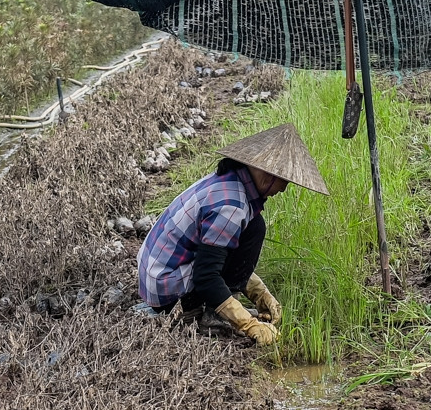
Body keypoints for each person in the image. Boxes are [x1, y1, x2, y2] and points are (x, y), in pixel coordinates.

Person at [136, 123, 328, 346]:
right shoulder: (231, 206)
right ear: (268, 175)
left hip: (156, 271)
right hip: (164, 287)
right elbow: (206, 276)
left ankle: (214, 307)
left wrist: (258, 292)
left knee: (254, 225)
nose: (284, 189)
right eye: (284, 181)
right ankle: (207, 314)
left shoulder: (229, 182)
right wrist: (247, 323)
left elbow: (220, 253)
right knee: (254, 228)